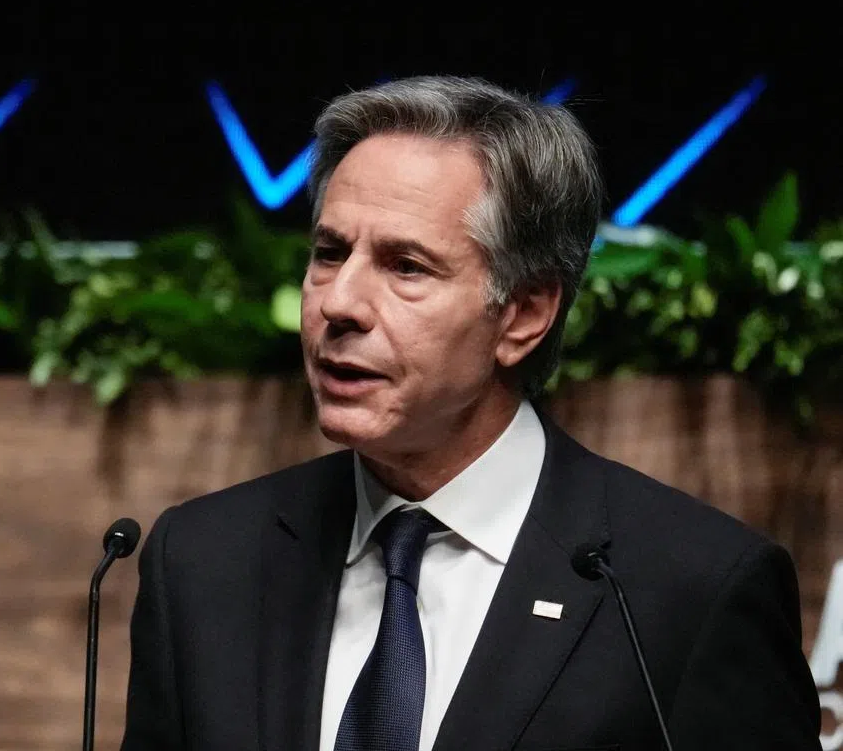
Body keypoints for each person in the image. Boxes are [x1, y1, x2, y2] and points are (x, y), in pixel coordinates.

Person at [119, 76, 822, 750]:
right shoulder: (204, 561)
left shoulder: (690, 590)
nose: (339, 304)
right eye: (329, 253)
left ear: (524, 316)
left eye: (407, 267)